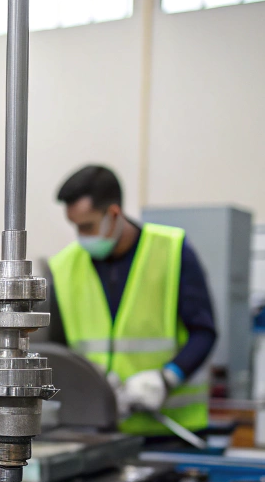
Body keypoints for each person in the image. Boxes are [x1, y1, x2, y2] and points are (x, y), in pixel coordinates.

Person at [44, 165, 216, 434]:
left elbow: (204, 332)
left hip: (168, 433)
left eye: (88, 226)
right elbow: (59, 347)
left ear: (113, 213)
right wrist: (91, 376)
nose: (82, 237)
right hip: (98, 430)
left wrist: (166, 378)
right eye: (76, 227)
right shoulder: (64, 266)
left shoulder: (171, 250)